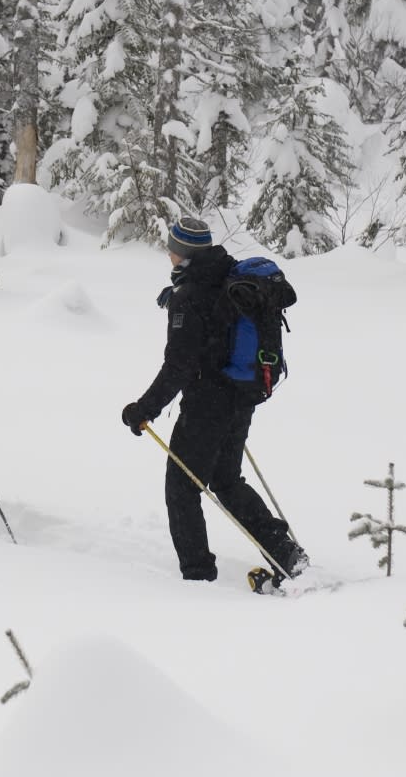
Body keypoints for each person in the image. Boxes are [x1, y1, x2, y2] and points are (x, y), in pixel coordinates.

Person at [120, 215, 307, 583]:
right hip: (242, 397)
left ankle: (198, 576)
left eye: (172, 250)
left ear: (182, 253)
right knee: (226, 480)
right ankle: (286, 554)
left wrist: (143, 409)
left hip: (208, 404)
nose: (169, 256)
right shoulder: (225, 273)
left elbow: (179, 366)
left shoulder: (190, 296)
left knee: (181, 487)